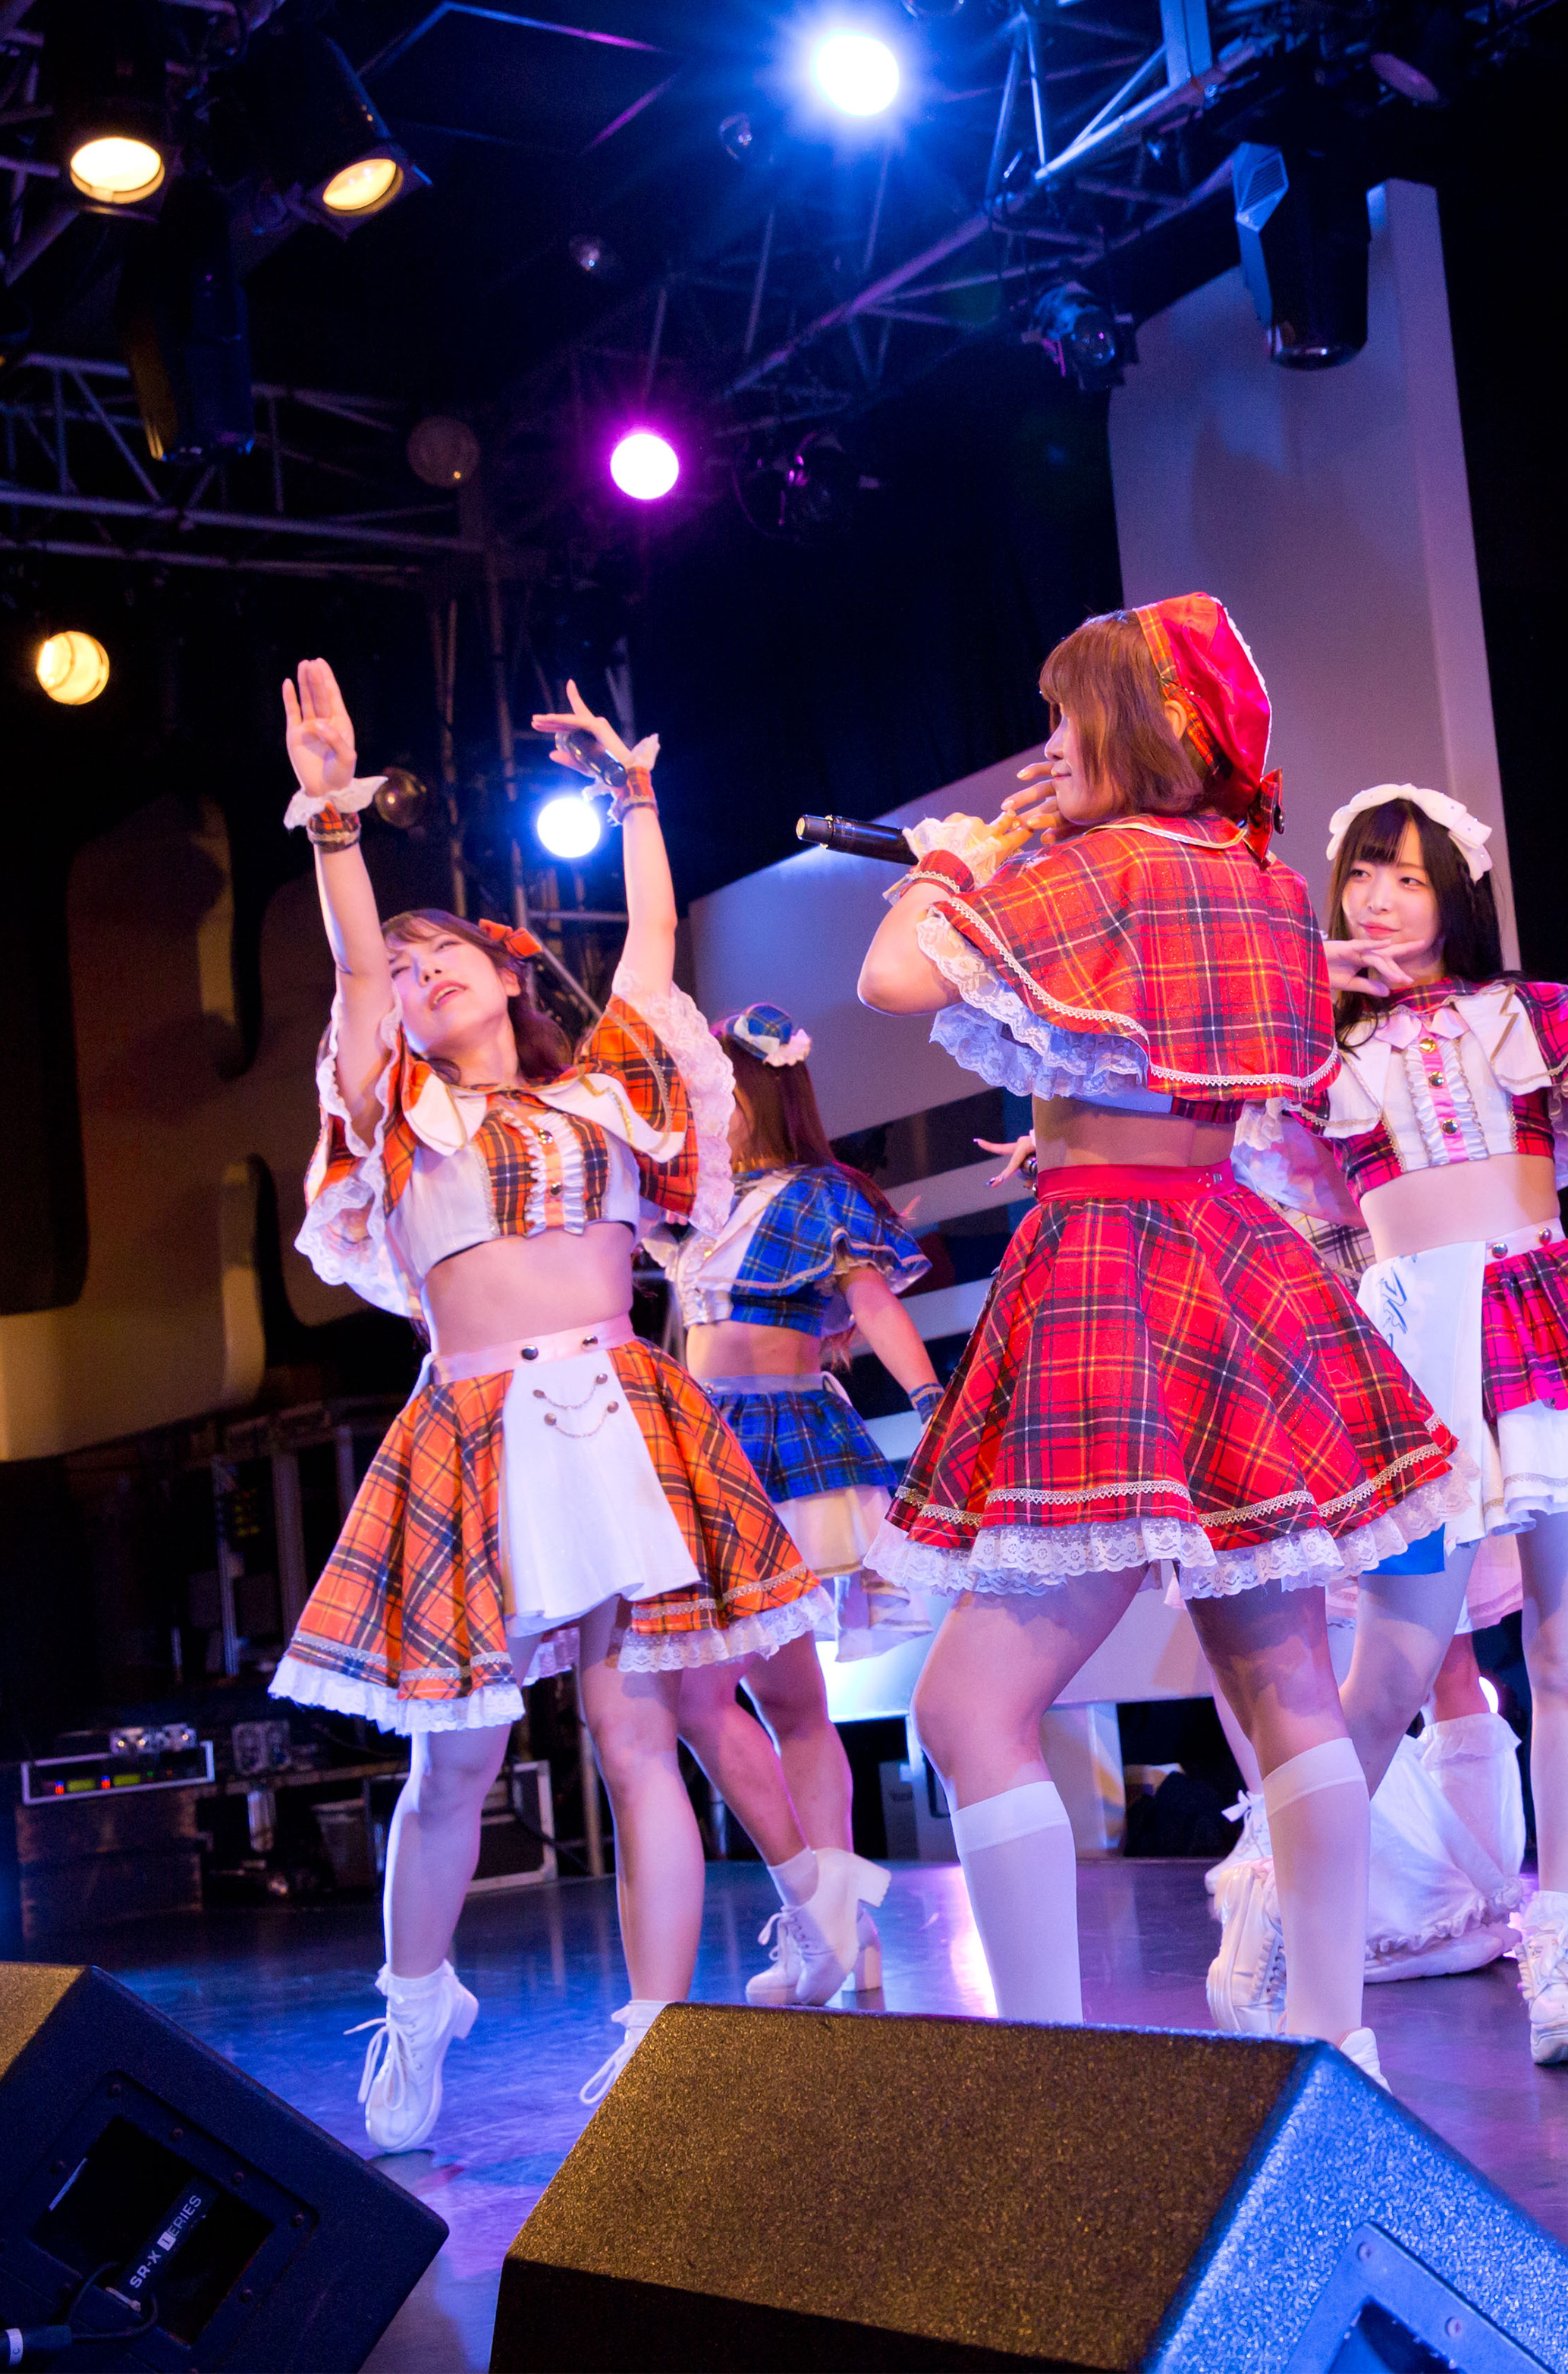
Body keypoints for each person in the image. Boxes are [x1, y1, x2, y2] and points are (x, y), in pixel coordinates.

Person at [854, 595, 1458, 2079]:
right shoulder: (1257, 879)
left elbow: (893, 978)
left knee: (967, 1707)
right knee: (1287, 1687)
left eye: (1067, 716)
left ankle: (1047, 2075)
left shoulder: (1097, 868)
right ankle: (1338, 2039)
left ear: (1139, 722)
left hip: (1107, 1272)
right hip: (1234, 1260)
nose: (1049, 746)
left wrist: (949, 861)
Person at [269, 662, 821, 2140]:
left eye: (443, 951)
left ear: (511, 972)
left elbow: (651, 939)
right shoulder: (398, 1104)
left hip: (618, 1413)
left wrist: (635, 798)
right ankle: (416, 2003)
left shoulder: (603, 1095)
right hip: (474, 1430)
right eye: (404, 968)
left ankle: (657, 2035)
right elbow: (352, 974)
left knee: (639, 1732)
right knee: (456, 1758)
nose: (417, 971)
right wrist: (335, 819)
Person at [1225, 784, 1568, 2067]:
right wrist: (1300, 979)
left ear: (1454, 892)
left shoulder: (1525, 1010)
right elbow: (1248, 1125)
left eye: (1405, 876)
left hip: (1543, 1310)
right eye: (1361, 875)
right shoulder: (1308, 1043)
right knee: (1387, 1671)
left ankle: (1561, 1940)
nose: (1377, 898)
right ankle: (1281, 1894)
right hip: (1409, 1342)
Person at [649, 1000, 946, 2005]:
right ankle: (835, 1924)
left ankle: (830, 1925)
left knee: (750, 1703)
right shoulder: (695, 1204)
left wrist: (931, 1403)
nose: (699, 1104)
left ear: (757, 1090)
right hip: (703, 1449)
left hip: (787, 1446)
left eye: (713, 1086)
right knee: (751, 1702)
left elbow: (874, 1306)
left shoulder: (824, 1196)